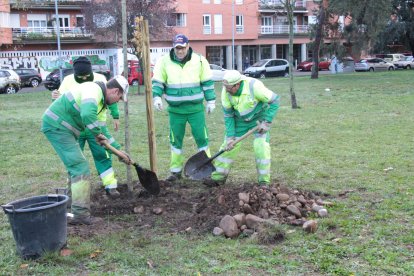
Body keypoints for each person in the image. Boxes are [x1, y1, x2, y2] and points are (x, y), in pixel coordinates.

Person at [42, 75, 129, 225]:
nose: (118, 102)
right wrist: (96, 134)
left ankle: (69, 204)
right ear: (115, 91)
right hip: (57, 126)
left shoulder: (100, 101)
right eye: (120, 98)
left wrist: (118, 150)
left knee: (76, 166)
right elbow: (88, 115)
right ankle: (80, 215)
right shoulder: (93, 90)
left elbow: (102, 130)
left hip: (63, 127)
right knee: (80, 167)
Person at [52, 56, 122, 200]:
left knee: (102, 154)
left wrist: (115, 115)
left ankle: (110, 186)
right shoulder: (67, 81)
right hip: (75, 126)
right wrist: (54, 97)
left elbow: (111, 97)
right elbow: (61, 101)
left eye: (87, 76)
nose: (84, 79)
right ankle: (74, 189)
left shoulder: (101, 79)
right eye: (80, 77)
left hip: (96, 125)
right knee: (75, 159)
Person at [152, 34, 216, 182]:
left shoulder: (199, 60)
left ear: (188, 46)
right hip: (176, 111)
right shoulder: (164, 61)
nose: (179, 51)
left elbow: (207, 82)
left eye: (182, 48)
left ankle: (206, 170)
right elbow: (158, 82)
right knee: (175, 141)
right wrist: (157, 97)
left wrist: (211, 101)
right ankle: (175, 171)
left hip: (196, 110)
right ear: (173, 47)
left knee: (202, 139)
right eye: (177, 48)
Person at [203, 70, 280, 188]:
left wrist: (267, 122)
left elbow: (275, 100)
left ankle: (264, 182)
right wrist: (230, 137)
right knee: (228, 147)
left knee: (261, 147)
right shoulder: (226, 92)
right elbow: (228, 116)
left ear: (237, 84)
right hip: (239, 121)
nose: (227, 90)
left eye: (229, 87)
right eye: (225, 87)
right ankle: (218, 178)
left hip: (258, 120)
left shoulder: (254, 86)